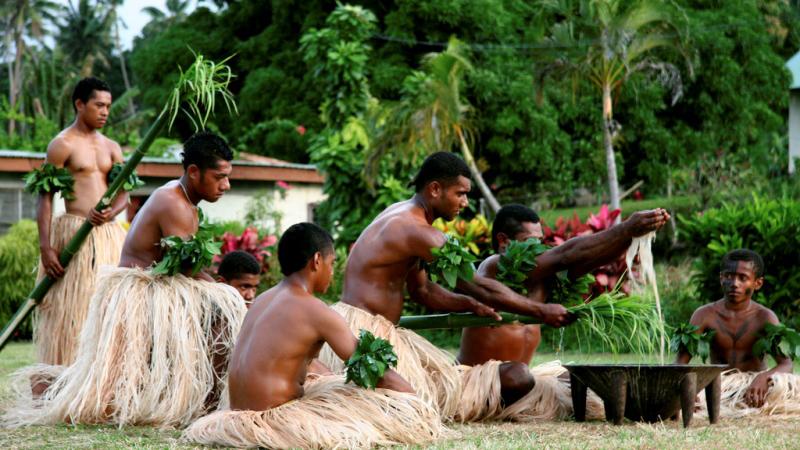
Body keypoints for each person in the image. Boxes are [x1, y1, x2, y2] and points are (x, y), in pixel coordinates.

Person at [318, 152, 669, 422]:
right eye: (461, 193)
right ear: (435, 189)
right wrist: (539, 311)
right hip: (363, 330)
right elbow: (479, 283)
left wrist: (467, 306)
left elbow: (424, 292)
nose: (466, 202)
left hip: (375, 326)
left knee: (424, 394)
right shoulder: (416, 230)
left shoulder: (407, 221)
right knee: (417, 402)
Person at [4, 132, 247, 428]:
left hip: (157, 289)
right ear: (194, 172)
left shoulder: (182, 196)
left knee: (118, 381)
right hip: (141, 293)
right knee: (225, 313)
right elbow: (186, 266)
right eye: (220, 177)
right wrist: (226, 291)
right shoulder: (174, 203)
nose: (226, 185)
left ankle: (202, 400)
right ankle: (206, 404)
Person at [183, 223, 441, 449]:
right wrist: (413, 401)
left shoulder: (263, 300)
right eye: (332, 263)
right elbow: (370, 368)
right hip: (273, 420)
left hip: (234, 416)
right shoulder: (315, 310)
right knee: (358, 401)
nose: (332, 271)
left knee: (327, 378)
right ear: (317, 260)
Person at [457, 204, 668, 420]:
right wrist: (625, 228)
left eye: (541, 241)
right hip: (478, 382)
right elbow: (565, 254)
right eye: (531, 241)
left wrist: (632, 235)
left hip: (520, 379)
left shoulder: (543, 278)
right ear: (504, 242)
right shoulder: (493, 267)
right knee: (518, 376)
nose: (540, 248)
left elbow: (589, 259)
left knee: (578, 377)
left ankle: (657, 404)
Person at [33, 77, 128, 366]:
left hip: (108, 235)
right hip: (74, 233)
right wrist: (46, 247)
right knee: (71, 310)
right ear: (79, 104)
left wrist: (113, 212)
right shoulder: (62, 145)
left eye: (108, 106)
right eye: (99, 105)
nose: (105, 112)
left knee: (108, 306)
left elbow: (125, 194)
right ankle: (64, 372)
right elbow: (45, 198)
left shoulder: (112, 147)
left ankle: (102, 375)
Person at [677, 249, 800, 417]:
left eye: (743, 278)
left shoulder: (765, 317)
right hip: (719, 385)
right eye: (729, 276)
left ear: (757, 283)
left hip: (754, 387)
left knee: (788, 386)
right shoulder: (704, 315)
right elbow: (680, 363)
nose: (734, 283)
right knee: (688, 397)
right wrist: (688, 391)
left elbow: (786, 364)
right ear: (721, 278)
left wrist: (764, 377)